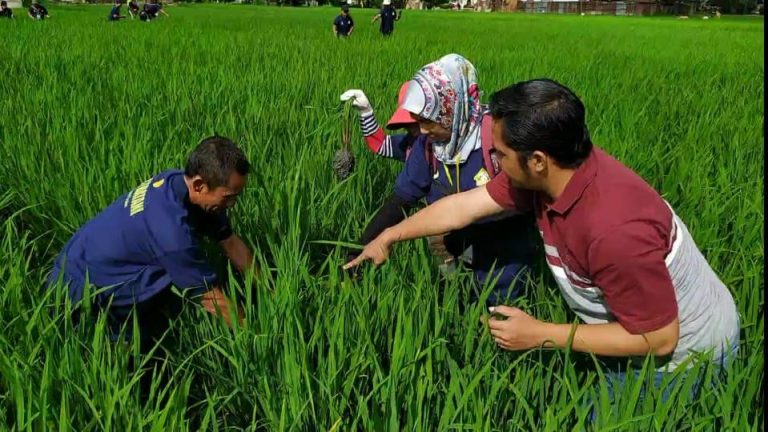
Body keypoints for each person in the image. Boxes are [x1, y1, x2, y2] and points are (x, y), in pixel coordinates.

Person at [344, 78, 740, 400]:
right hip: (640, 326)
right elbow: (462, 208)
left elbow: (658, 338)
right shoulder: (553, 173)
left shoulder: (612, 229)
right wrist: (390, 235)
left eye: (499, 153)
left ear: (537, 160)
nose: (492, 160)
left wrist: (541, 334)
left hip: (686, 357)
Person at [345, 54, 537, 306]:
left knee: (499, 311)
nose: (422, 130)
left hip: (503, 250)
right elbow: (402, 199)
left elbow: (529, 197)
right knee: (452, 300)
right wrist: (360, 248)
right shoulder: (430, 145)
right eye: (419, 121)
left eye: (429, 120)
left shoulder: (499, 141)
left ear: (452, 108)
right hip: (446, 240)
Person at [47, 136, 256, 348]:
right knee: (124, 356)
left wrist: (270, 290)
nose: (232, 204)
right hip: (82, 291)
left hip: (89, 259)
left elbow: (231, 244)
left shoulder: (175, 181)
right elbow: (211, 298)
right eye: (228, 197)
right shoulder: (173, 236)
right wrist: (257, 333)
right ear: (200, 185)